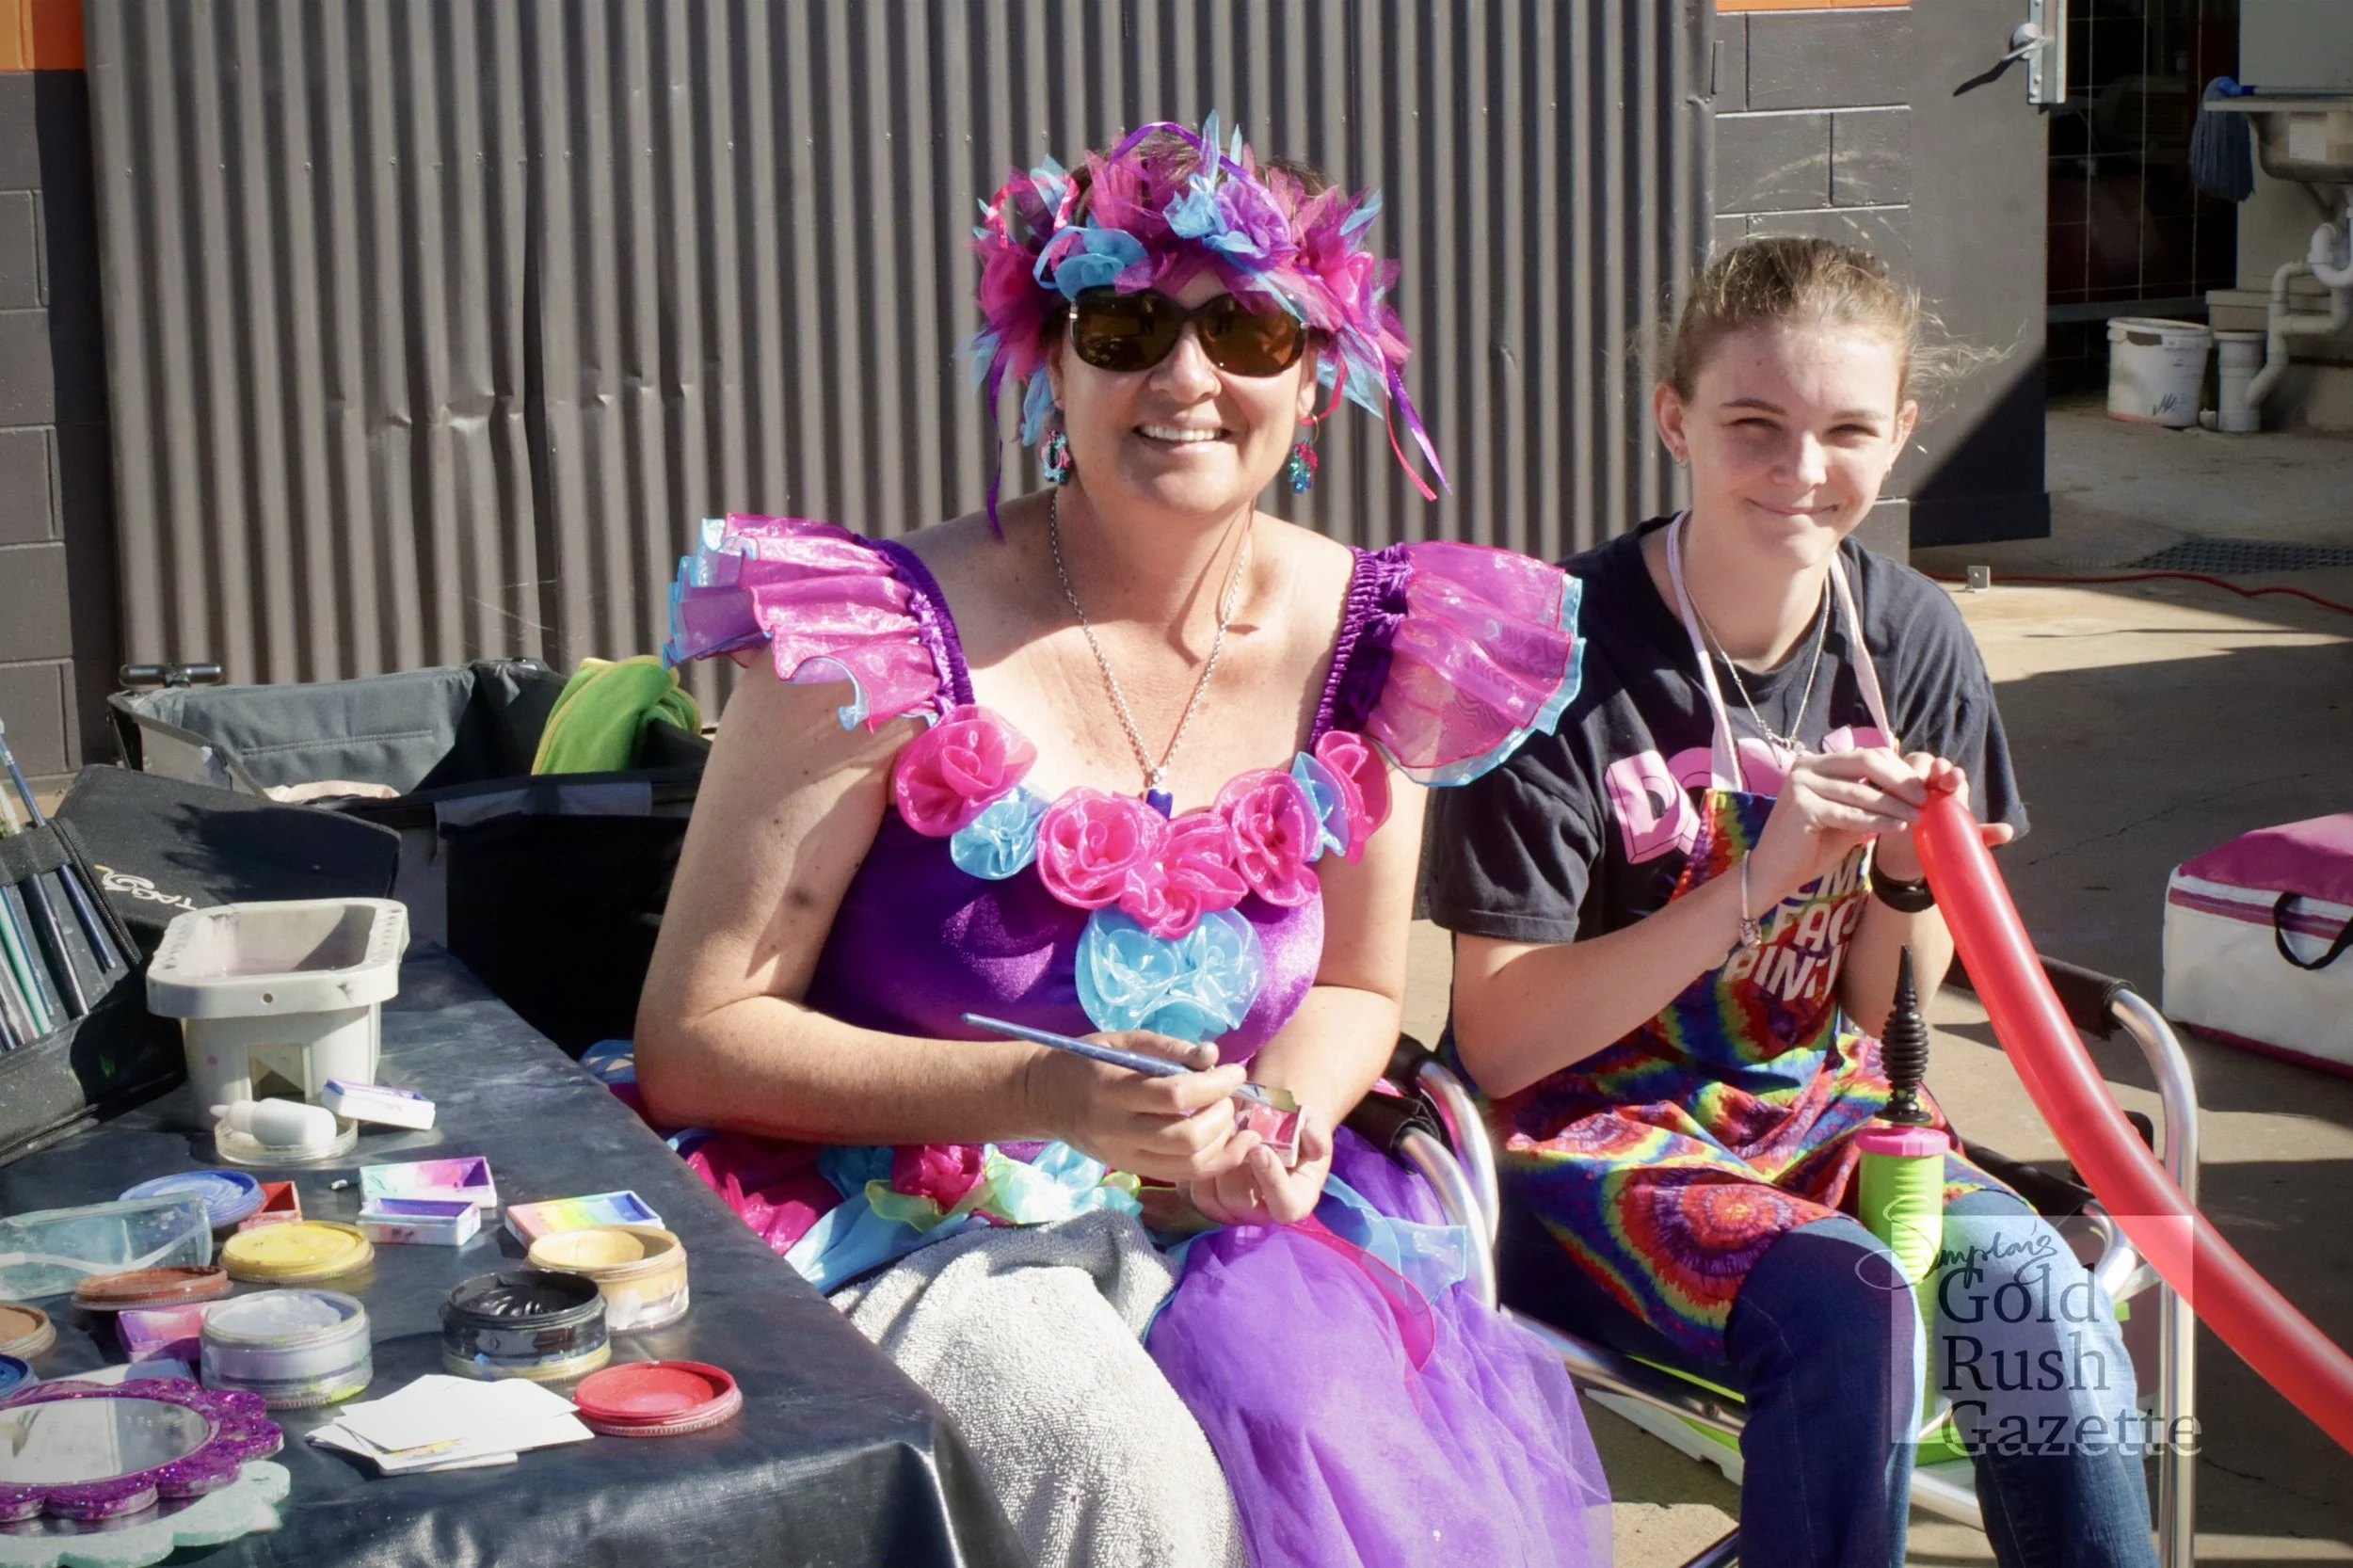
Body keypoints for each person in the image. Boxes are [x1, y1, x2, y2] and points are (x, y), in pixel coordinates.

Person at [629, 119, 1609, 1568]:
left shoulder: (1376, 637)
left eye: (1250, 329)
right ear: (1052, 363)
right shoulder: (874, 636)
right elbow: (691, 1040)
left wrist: (1281, 1120)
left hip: (1226, 1218)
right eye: (1127, 321)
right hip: (913, 1217)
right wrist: (1042, 1090)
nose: (1188, 377)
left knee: (1330, 1427)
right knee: (1129, 1486)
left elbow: (1354, 988)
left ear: (1316, 381)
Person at [1426, 236, 2158, 1568]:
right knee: (1856, 1303)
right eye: (1753, 425)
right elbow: (1502, 1043)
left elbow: (1885, 1016)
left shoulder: (1914, 638)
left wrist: (1898, 872)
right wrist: (1763, 872)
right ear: (1674, 420)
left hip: (1818, 1113)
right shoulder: (1551, 661)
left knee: (2038, 1292)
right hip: (1585, 1137)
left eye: (1847, 431)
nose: (1801, 470)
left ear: (1903, 435)